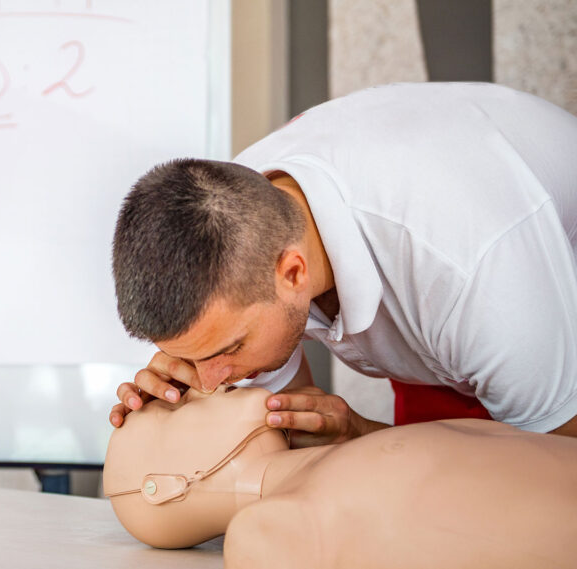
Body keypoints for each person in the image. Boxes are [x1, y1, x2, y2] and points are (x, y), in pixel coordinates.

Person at [108, 82, 577, 446]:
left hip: (540, 322)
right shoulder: (240, 216)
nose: (212, 380)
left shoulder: (469, 270)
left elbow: (553, 468)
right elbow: (287, 424)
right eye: (196, 358)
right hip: (451, 334)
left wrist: (362, 436)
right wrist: (180, 409)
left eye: (226, 349)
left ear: (293, 272)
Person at [103, 386, 577, 567]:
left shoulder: (342, 458)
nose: (207, 383)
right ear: (162, 486)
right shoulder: (272, 534)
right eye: (178, 405)